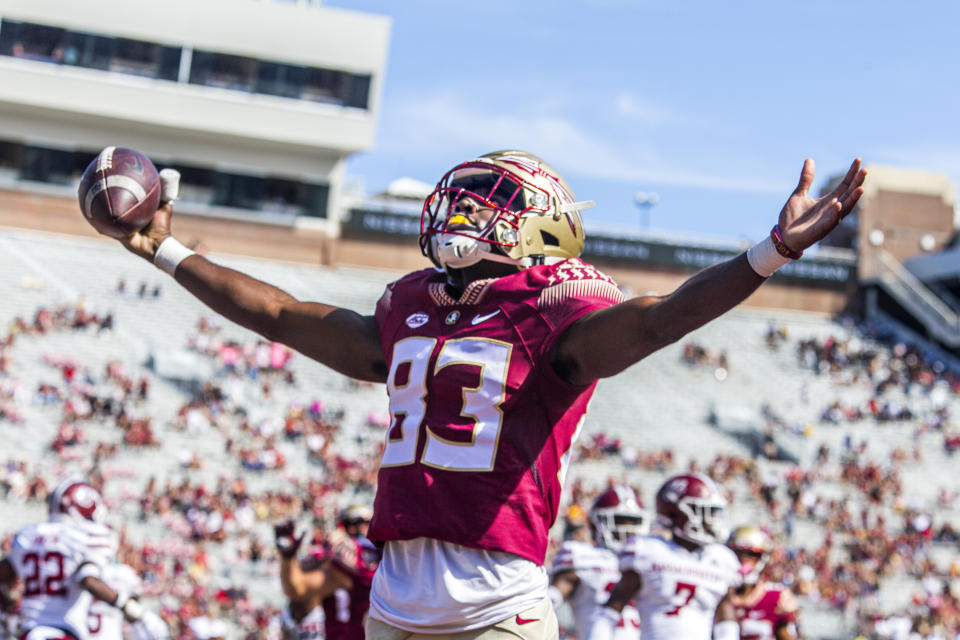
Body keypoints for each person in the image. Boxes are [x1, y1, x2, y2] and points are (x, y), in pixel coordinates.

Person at [97, 148, 865, 637]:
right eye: (463, 196)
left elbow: (663, 319)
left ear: (538, 228)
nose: (463, 210)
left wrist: (770, 253)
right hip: (394, 599)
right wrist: (162, 246)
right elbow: (276, 312)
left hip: (497, 600)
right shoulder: (409, 306)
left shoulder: (553, 311)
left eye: (488, 200)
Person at [0, 476, 163, 640]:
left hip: (30, 633)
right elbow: (89, 580)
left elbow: (5, 573)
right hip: (63, 632)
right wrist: (129, 607)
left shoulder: (28, 535)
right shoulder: (85, 537)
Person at [588, 473, 742, 640]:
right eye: (704, 512)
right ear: (674, 514)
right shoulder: (649, 551)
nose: (712, 521)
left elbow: (725, 618)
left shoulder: (721, 559)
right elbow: (611, 609)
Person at [548, 486, 646, 639]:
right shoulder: (583, 555)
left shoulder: (646, 561)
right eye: (620, 522)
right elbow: (550, 601)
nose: (628, 530)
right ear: (596, 524)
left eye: (633, 522)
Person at [275, 511, 380, 640]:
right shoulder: (338, 560)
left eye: (364, 524)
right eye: (351, 525)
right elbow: (297, 589)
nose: (358, 531)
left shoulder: (389, 553)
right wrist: (288, 558)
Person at [727, 526, 799, 640]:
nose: (744, 560)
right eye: (739, 554)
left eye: (751, 555)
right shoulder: (718, 590)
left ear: (762, 559)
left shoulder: (776, 597)